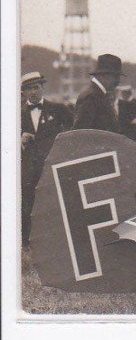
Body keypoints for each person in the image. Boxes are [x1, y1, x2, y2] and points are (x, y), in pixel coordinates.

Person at [20, 71, 74, 246]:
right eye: (28, 89)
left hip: (52, 167)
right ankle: (29, 244)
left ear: (42, 87)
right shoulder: (15, 115)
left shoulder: (57, 109)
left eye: (36, 87)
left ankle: (60, 241)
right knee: (28, 206)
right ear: (24, 93)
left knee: (56, 204)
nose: (33, 92)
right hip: (27, 171)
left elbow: (74, 129)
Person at [72, 53, 125, 132]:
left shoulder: (98, 95)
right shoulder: (91, 97)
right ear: (103, 75)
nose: (118, 81)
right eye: (116, 76)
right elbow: (81, 134)